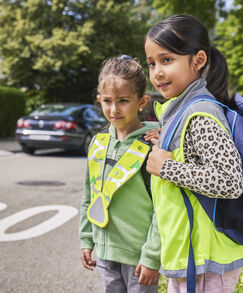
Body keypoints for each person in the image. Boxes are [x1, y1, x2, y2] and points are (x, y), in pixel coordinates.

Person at [144, 15, 243, 293]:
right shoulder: (179, 110)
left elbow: (229, 180)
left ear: (198, 60)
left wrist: (168, 168)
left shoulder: (201, 113)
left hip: (206, 260)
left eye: (167, 60)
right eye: (151, 63)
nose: (157, 72)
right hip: (191, 254)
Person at [79, 55, 161, 293]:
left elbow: (161, 207)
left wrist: (152, 256)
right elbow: (89, 195)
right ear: (99, 100)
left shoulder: (152, 145)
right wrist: (86, 239)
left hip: (139, 256)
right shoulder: (97, 142)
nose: (114, 109)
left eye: (123, 100)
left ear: (142, 101)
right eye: (107, 101)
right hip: (105, 251)